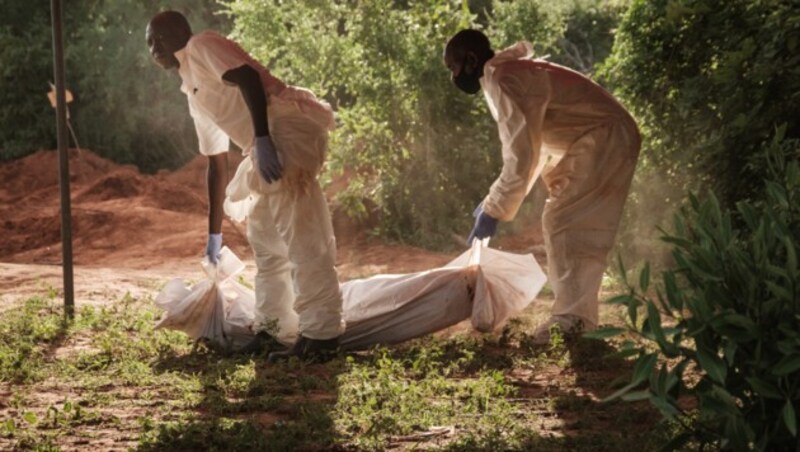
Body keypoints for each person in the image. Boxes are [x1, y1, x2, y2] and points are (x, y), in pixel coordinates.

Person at [146, 11, 343, 361]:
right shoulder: (191, 87)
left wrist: (264, 138)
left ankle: (322, 336)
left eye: (157, 38)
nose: (152, 48)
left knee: (301, 236)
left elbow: (249, 78)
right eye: (149, 42)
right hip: (260, 146)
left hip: (283, 129)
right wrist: (214, 236)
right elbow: (216, 162)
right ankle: (273, 329)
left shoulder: (201, 45)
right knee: (266, 241)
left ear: (178, 33)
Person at [444, 29, 640, 344]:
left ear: (470, 59)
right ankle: (578, 320)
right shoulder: (507, 75)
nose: (453, 76)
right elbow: (533, 151)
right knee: (568, 222)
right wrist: (493, 202)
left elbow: (522, 155)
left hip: (605, 136)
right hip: (602, 136)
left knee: (566, 222)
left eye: (453, 67)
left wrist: (495, 208)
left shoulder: (504, 79)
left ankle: (573, 322)